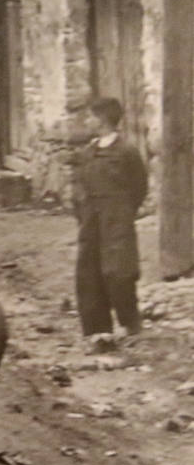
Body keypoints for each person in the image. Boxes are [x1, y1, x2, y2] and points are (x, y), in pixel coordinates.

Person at [72, 96, 149, 352]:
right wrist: (82, 212)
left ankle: (130, 323)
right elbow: (79, 184)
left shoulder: (126, 151)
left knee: (118, 271)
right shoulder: (87, 153)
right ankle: (99, 333)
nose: (87, 121)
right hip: (90, 220)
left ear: (103, 119)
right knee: (89, 273)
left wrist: (124, 212)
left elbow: (139, 186)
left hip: (117, 219)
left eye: (91, 116)